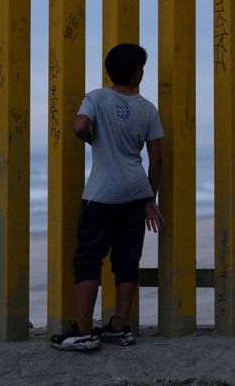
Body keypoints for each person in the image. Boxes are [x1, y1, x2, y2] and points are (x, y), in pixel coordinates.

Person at [50, 43, 164, 352]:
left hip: (101, 194)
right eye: (141, 67)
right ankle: (119, 327)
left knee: (88, 258)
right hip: (134, 192)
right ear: (136, 72)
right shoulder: (147, 109)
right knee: (126, 260)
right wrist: (149, 198)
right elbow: (156, 160)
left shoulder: (97, 98)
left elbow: (78, 126)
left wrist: (91, 139)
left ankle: (84, 330)